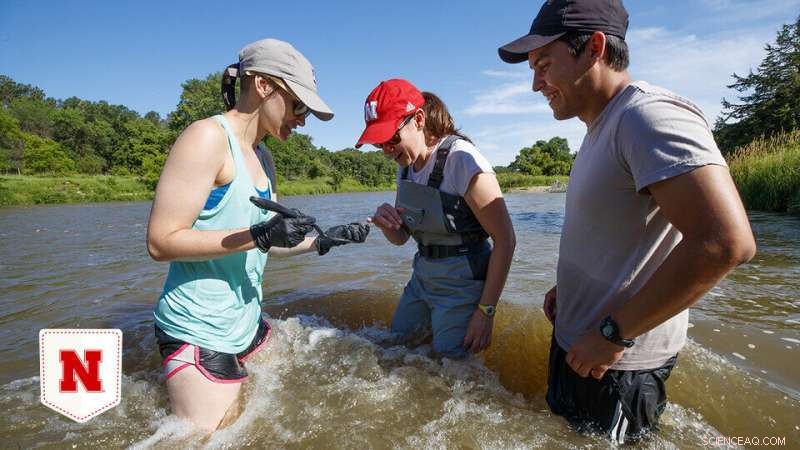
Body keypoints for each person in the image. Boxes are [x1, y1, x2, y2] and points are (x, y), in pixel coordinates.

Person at [498, 0, 756, 443]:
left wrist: (614, 334)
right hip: (585, 347)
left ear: (594, 48)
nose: (535, 83)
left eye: (543, 64)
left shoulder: (646, 116)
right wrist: (571, 289)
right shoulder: (601, 127)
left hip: (617, 366)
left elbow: (725, 242)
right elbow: (617, 232)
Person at [146, 38, 369, 431]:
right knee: (209, 438)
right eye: (299, 106)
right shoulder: (206, 138)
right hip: (201, 329)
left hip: (246, 322)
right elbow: (161, 242)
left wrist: (321, 242)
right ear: (264, 85)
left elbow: (266, 243)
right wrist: (260, 234)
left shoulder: (264, 157)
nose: (303, 120)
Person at [357, 79, 516, 359]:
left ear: (418, 119)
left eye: (391, 138)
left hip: (462, 281)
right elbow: (401, 237)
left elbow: (506, 240)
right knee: (394, 347)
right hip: (422, 276)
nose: (387, 150)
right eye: (379, 143)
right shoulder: (405, 167)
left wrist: (486, 312)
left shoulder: (462, 159)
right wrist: (386, 224)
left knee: (451, 364)